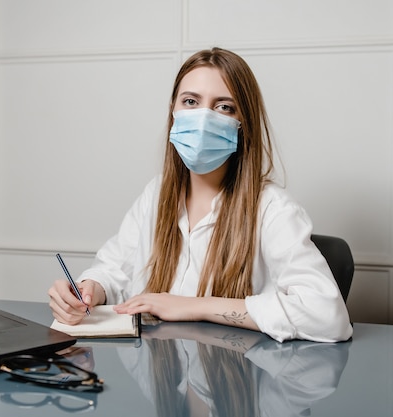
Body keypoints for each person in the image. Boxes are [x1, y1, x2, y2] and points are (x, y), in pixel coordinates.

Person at [48, 47, 353, 342]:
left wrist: (193, 306)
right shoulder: (156, 195)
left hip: (243, 380)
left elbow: (328, 316)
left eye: (224, 106)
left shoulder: (273, 209)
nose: (203, 118)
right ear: (173, 111)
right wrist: (87, 291)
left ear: (242, 123)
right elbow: (115, 269)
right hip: (163, 381)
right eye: (191, 101)